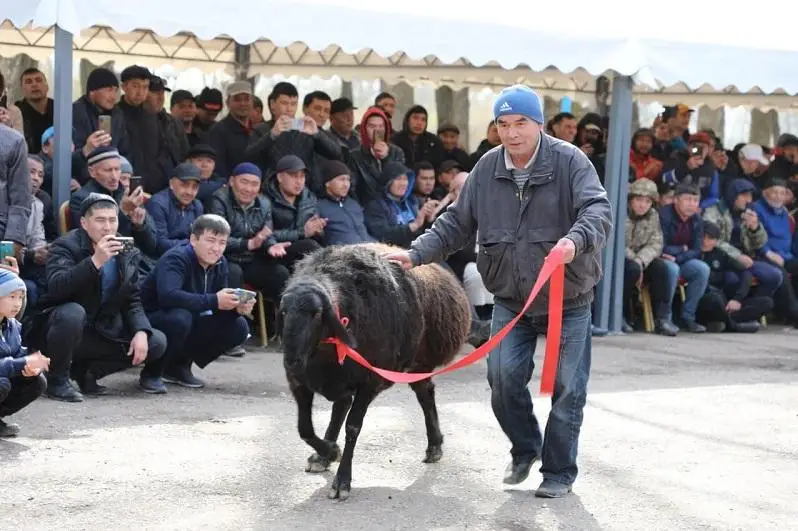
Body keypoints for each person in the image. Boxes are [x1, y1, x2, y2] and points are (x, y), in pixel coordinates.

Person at [383, 85, 612, 498]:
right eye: (503, 125)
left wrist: (574, 241)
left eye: (521, 123)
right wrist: (415, 255)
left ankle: (559, 472)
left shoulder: (570, 161)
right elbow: (455, 224)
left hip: (567, 297)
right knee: (502, 380)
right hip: (512, 298)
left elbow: (598, 209)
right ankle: (526, 448)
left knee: (566, 389)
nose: (512, 133)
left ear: (539, 124)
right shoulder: (488, 169)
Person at [31, 193, 167, 402]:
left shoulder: (127, 251)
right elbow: (57, 287)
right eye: (100, 220)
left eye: (112, 220)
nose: (107, 227)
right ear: (84, 223)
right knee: (73, 313)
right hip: (58, 329)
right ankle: (57, 380)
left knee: (155, 341)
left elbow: (132, 299)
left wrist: (141, 330)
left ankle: (88, 372)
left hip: (100, 329)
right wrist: (95, 261)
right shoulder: (65, 246)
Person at [141, 215, 252, 388]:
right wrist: (214, 300)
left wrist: (235, 307)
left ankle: (179, 366)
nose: (216, 248)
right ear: (194, 239)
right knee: (180, 317)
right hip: (153, 319)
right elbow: (168, 296)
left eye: (222, 243)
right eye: (211, 240)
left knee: (239, 326)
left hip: (192, 316)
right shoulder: (176, 258)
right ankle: (151, 372)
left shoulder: (220, 262)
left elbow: (216, 304)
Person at [0, 270, 48, 437]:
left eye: (20, 297)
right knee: (1, 383)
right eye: (11, 296)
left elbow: (19, 353)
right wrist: (20, 363)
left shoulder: (13, 326)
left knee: (37, 381)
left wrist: (31, 367)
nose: (17, 303)